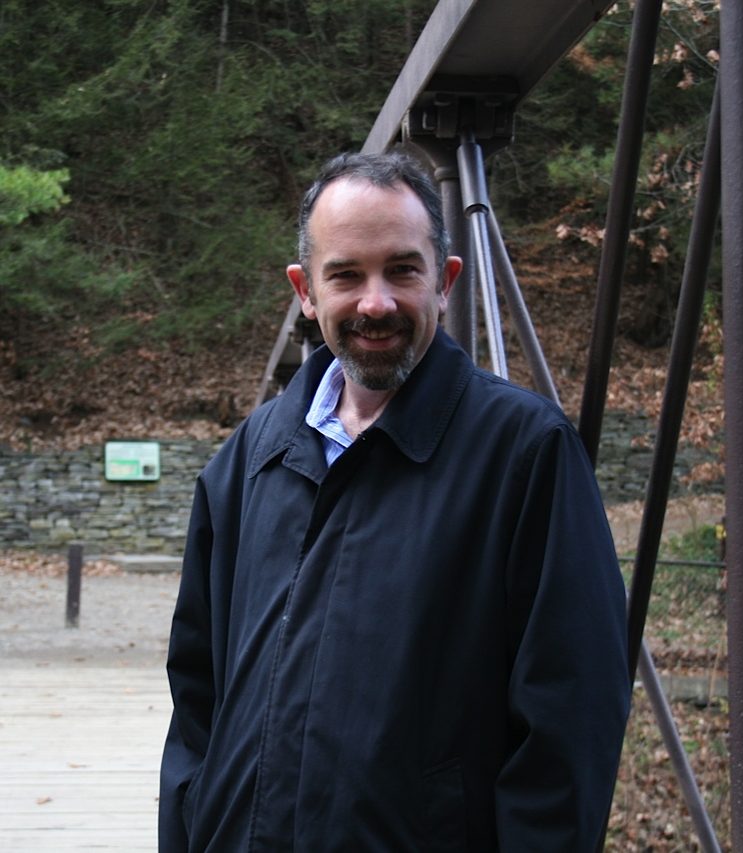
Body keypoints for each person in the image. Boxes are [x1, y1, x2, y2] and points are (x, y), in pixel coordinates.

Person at [159, 150, 630, 852]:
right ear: (306, 292)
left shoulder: (524, 454)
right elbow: (196, 703)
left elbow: (570, 729)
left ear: (444, 282)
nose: (375, 302)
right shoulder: (249, 459)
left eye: (402, 270)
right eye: (346, 274)